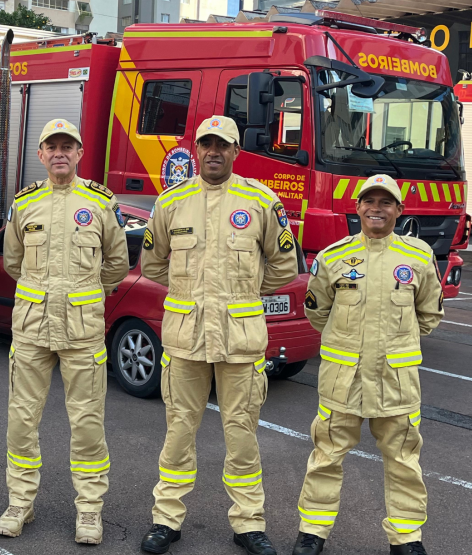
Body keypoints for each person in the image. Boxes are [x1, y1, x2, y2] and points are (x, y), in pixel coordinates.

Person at [139, 116, 298, 555]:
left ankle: (248, 524)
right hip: (186, 338)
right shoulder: (172, 201)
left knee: (243, 435)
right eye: (206, 144)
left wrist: (238, 295)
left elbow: (283, 267)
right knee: (178, 433)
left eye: (222, 145)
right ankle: (166, 520)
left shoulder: (262, 201)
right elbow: (153, 264)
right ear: (196, 149)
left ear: (235, 151)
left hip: (240, 340)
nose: (213, 151)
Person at [291, 174, 442, 555]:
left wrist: (397, 343)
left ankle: (406, 539)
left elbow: (428, 315)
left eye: (386, 202)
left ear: (399, 210)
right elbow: (317, 312)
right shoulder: (333, 257)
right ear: (357, 207)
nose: (377, 208)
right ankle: (313, 532)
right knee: (325, 457)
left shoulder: (419, 258)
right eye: (370, 201)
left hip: (396, 382)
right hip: (343, 381)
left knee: (404, 461)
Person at [0, 119, 128, 545]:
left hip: (82, 330)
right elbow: (13, 262)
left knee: (87, 423)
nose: (59, 153)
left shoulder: (101, 203)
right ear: (40, 154)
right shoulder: (25, 203)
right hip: (32, 328)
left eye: (67, 146)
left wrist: (85, 293)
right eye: (51, 146)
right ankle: (20, 503)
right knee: (21, 420)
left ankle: (89, 511)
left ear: (79, 153)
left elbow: (117, 264)